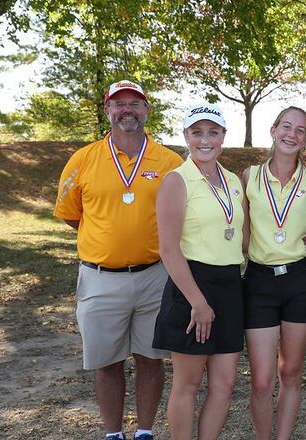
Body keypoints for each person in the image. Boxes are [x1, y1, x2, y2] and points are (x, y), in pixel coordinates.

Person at [53, 80, 183, 440]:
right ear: (107, 111)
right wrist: (107, 238)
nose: (127, 110)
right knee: (106, 361)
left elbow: (183, 214)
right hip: (100, 278)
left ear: (147, 111)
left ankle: (144, 431)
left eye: (135, 104)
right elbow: (70, 213)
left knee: (150, 357)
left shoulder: (170, 162)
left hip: (155, 276)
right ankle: (112, 433)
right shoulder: (84, 159)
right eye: (119, 103)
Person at [152, 102, 247, 440]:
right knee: (188, 384)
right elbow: (168, 249)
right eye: (197, 132)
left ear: (223, 136)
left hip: (230, 286)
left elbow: (243, 235)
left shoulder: (233, 180)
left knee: (224, 384)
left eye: (213, 132)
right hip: (191, 287)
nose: (205, 140)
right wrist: (198, 302)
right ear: (186, 137)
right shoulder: (177, 181)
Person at [241, 107, 306, 440]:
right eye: (286, 126)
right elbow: (240, 232)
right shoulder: (248, 176)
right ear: (273, 130)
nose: (292, 134)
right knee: (261, 379)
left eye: (300, 130)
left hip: (300, 280)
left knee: (290, 371)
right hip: (259, 281)